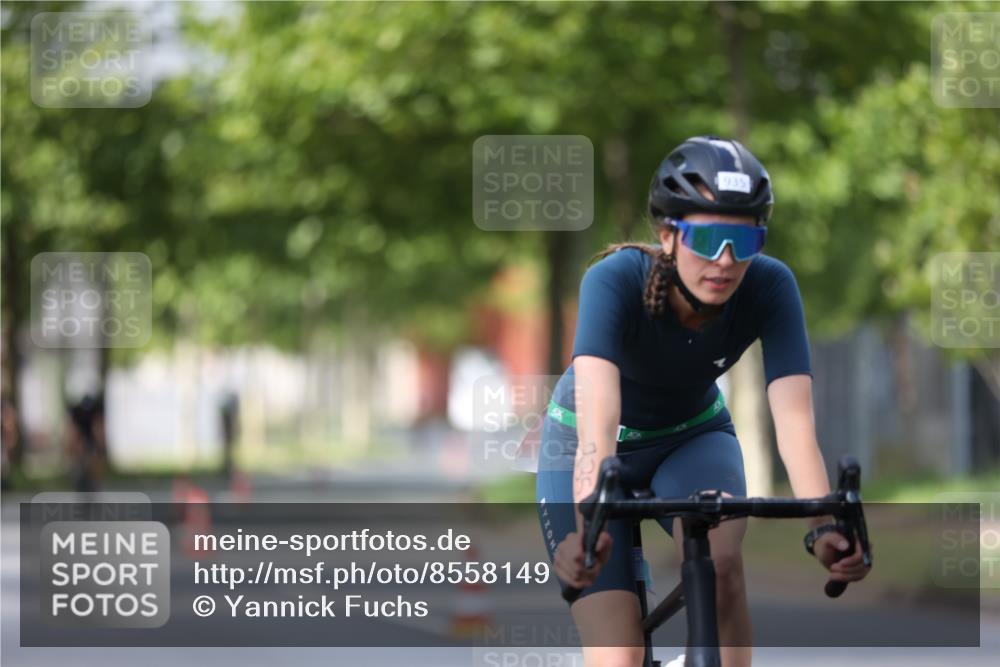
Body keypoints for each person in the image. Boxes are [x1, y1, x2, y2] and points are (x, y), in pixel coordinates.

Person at [535, 136, 871, 667]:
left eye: (745, 240)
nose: (725, 260)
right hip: (590, 441)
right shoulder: (613, 281)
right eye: (708, 237)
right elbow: (598, 425)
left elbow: (795, 425)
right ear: (668, 234)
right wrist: (587, 529)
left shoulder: (771, 286)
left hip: (691, 437)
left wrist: (823, 527)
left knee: (722, 567)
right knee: (618, 657)